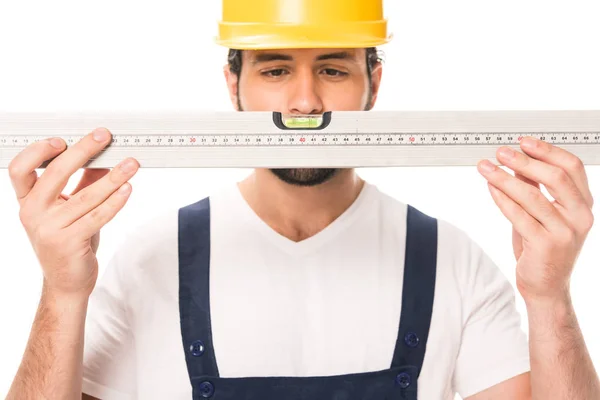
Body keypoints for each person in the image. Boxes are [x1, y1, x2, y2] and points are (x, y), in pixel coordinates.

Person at [5, 0, 600, 399]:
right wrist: (62, 291)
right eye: (276, 69)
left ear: (375, 83)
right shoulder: (150, 261)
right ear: (233, 83)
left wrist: (550, 298)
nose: (305, 102)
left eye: (335, 70)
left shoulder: (454, 261)